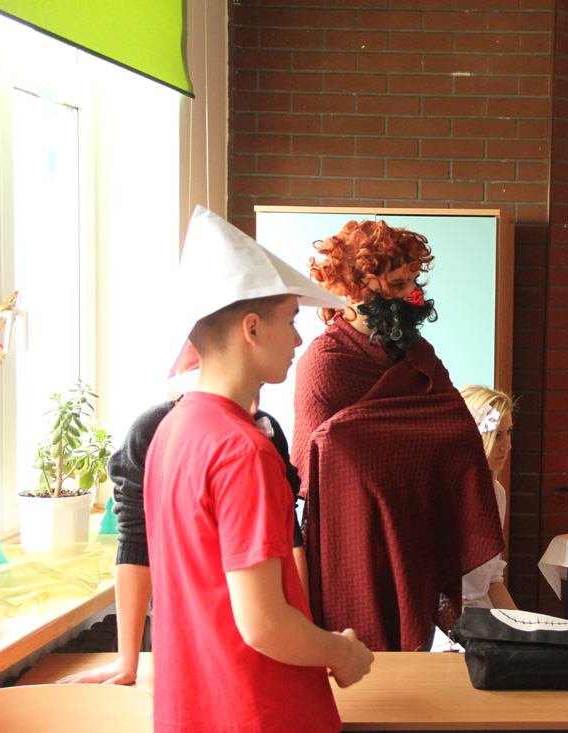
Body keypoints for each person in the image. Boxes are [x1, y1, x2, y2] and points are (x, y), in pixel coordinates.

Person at [142, 206, 373, 733]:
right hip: (260, 713)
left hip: (192, 712)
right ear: (252, 328)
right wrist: (341, 652)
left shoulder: (171, 433)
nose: (298, 340)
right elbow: (264, 624)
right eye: (290, 320)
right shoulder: (242, 449)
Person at [292, 219, 503, 652]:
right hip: (352, 540)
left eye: (412, 281)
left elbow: (457, 432)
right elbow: (315, 465)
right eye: (397, 283)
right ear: (354, 288)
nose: (411, 295)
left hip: (413, 535)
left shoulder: (417, 353)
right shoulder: (325, 362)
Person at [56, 387, 306, 687]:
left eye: (260, 388)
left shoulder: (265, 432)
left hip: (265, 627)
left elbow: (289, 537)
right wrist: (126, 660)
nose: (254, 406)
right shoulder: (154, 430)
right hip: (185, 630)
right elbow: (135, 543)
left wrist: (303, 633)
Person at [458, 384, 517, 610]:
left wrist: (524, 625)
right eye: (497, 435)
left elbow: (492, 581)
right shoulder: (441, 497)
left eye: (508, 432)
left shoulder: (496, 494)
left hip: (481, 616)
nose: (506, 445)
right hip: (442, 623)